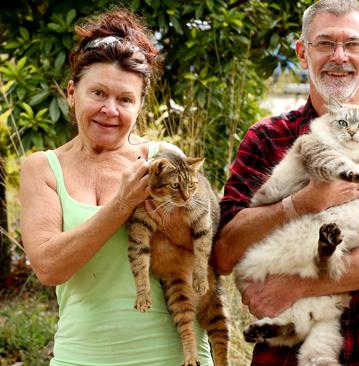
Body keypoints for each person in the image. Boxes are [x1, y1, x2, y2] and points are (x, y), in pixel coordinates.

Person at [213, 0, 359, 364]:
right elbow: (224, 254)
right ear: (303, 53)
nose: (339, 56)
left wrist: (298, 284)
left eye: (352, 44)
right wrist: (300, 203)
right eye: (324, 43)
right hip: (286, 353)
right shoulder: (267, 138)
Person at [18, 10, 214, 365]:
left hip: (173, 355)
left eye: (125, 99)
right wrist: (122, 204)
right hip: (81, 356)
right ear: (71, 93)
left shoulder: (165, 162)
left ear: (139, 106)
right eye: (98, 93)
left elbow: (205, 250)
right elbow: (49, 267)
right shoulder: (43, 169)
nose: (110, 110)